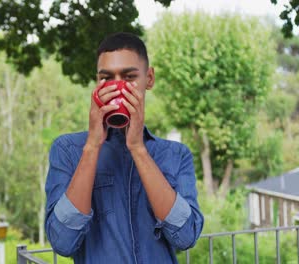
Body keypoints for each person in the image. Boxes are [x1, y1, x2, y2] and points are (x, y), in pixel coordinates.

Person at [44, 32, 204, 263]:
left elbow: (186, 237)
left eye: (129, 77)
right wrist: (92, 146)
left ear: (149, 79)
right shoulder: (68, 149)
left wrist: (138, 149)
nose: (118, 88)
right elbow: (62, 242)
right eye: (107, 78)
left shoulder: (176, 155)